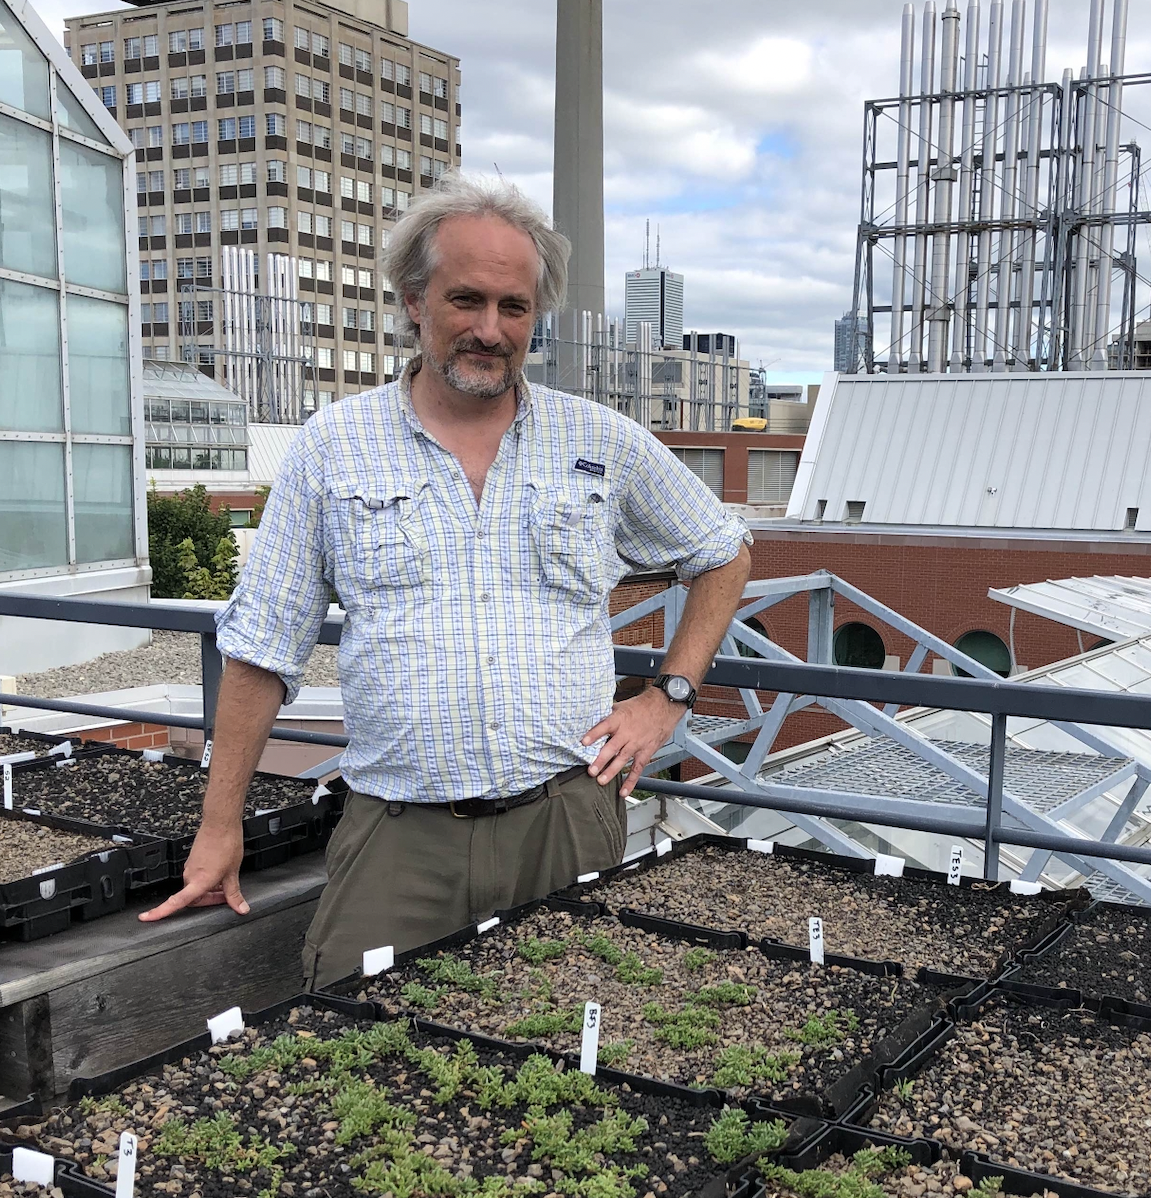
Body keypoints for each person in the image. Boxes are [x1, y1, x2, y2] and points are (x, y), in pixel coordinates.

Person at [138, 172, 752, 985]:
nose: (490, 330)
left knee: (576, 1051)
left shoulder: (602, 441)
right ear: (413, 301)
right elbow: (260, 649)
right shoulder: (332, 447)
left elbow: (723, 549)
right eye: (466, 300)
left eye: (515, 308)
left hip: (565, 818)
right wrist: (221, 828)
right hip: (400, 836)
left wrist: (665, 696)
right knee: (369, 1053)